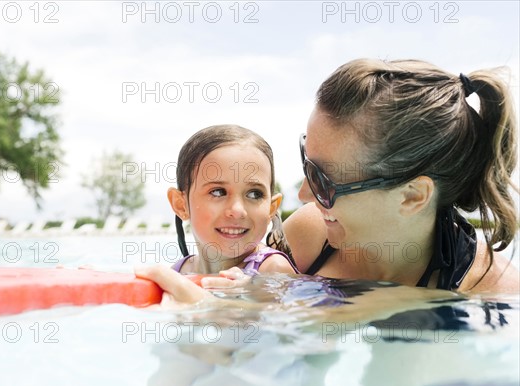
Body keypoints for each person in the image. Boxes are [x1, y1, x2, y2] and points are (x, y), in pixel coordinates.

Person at [136, 58, 518, 302]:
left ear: (412, 197)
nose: (302, 195)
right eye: (307, 163)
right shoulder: (309, 236)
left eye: (324, 181)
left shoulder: (492, 292)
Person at [167, 124, 299, 277]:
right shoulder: (179, 270)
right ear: (181, 205)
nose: (237, 211)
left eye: (254, 194)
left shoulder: (272, 269)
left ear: (271, 208)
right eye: (218, 192)